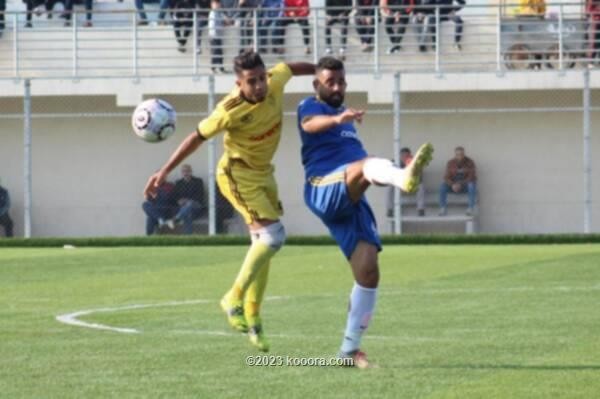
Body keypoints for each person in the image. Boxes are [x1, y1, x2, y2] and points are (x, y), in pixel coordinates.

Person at [144, 51, 315, 351]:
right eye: (252, 82)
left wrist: (321, 72)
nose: (260, 85)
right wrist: (164, 171)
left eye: (261, 78)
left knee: (262, 245)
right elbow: (195, 138)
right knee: (273, 237)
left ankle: (254, 318)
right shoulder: (228, 109)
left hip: (264, 174)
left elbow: (293, 67)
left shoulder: (275, 81)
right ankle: (232, 296)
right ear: (239, 83)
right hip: (237, 174)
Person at [296, 56, 433, 367]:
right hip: (323, 186)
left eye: (341, 82)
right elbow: (310, 125)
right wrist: (338, 119)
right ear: (316, 84)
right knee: (368, 165)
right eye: (330, 82)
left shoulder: (347, 125)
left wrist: (376, 173)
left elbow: (366, 173)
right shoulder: (310, 107)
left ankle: (348, 351)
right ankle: (402, 176)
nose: (337, 87)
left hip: (352, 196)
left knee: (368, 271)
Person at [386, 147, 426, 218]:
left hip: (411, 186)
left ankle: (421, 209)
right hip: (400, 186)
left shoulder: (416, 162)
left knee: (421, 186)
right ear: (399, 156)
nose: (404, 157)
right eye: (403, 156)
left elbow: (420, 178)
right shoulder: (394, 162)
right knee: (389, 186)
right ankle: (390, 209)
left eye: (407, 156)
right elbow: (389, 175)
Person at [439, 146, 477, 216]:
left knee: (471, 185)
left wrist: (460, 184)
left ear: (464, 154)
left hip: (465, 186)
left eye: (461, 154)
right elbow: (446, 177)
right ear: (455, 155)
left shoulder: (470, 162)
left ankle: (470, 209)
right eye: (457, 155)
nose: (460, 156)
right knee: (443, 186)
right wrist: (452, 184)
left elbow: (471, 177)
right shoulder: (450, 163)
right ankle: (443, 208)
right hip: (453, 187)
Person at [168, 164, 206, 234]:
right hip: (184, 209)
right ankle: (188, 238)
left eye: (187, 171)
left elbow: (200, 195)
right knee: (187, 215)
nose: (186, 173)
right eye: (184, 171)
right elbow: (174, 196)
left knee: (190, 203)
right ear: (182, 173)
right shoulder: (178, 183)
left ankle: (175, 219)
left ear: (191, 172)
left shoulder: (198, 181)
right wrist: (178, 201)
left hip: (196, 207)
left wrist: (187, 200)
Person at [208, 0, 227, 73]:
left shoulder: (219, 13)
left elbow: (224, 19)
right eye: (215, 4)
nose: (217, 5)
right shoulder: (212, 13)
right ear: (212, 5)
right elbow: (212, 26)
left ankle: (219, 67)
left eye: (218, 4)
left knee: (219, 51)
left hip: (218, 36)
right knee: (216, 52)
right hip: (213, 36)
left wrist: (225, 22)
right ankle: (214, 67)